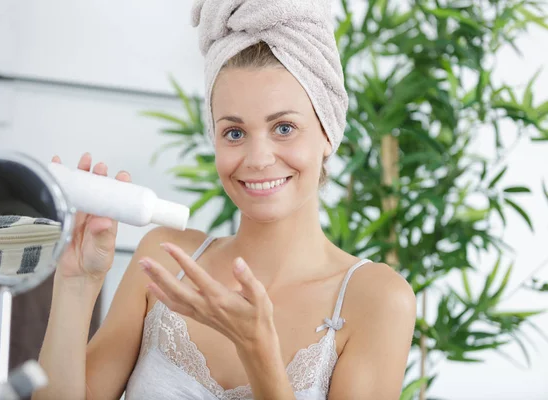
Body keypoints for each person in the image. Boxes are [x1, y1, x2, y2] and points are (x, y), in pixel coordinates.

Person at [34, 1, 416, 399]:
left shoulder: (376, 300)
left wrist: (258, 350)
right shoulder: (165, 261)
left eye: (284, 127)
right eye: (234, 133)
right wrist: (77, 284)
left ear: (328, 133)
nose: (258, 159)